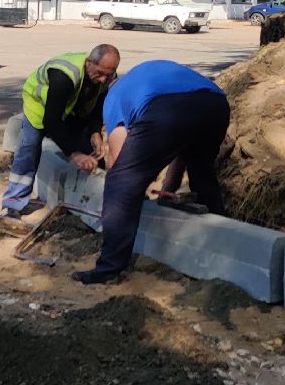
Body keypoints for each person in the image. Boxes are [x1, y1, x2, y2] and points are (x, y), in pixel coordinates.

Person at [72, 59, 230, 285]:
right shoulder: (144, 74)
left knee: (120, 183)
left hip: (166, 108)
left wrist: (118, 203)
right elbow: (182, 147)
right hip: (215, 103)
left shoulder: (113, 98)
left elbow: (117, 158)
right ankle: (223, 248)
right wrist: (168, 189)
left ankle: (109, 268)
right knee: (202, 172)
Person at [0, 44, 119, 217]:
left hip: (70, 108)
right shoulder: (63, 74)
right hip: (39, 106)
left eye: (107, 75)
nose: (103, 79)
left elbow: (97, 104)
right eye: (100, 73)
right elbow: (52, 121)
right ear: (88, 62)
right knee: (30, 147)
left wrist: (95, 132)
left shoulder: (106, 75)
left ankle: (95, 207)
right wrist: (73, 154)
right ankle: (13, 203)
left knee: (91, 153)